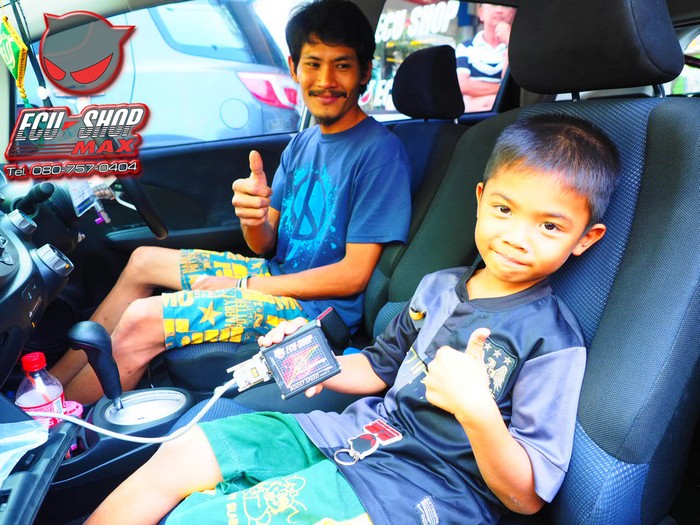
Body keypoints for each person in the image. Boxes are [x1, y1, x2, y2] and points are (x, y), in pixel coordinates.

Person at [85, 113, 620, 525]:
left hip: (425, 490)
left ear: (585, 239)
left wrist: (478, 410)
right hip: (359, 432)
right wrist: (309, 358)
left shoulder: (552, 340)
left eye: (550, 226)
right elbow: (379, 366)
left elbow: (525, 496)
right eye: (504, 210)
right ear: (480, 200)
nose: (517, 237)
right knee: (184, 452)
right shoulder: (437, 287)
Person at [52, 0, 412, 405]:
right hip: (276, 276)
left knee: (141, 319)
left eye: (341, 65)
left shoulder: (380, 153)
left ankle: (61, 425)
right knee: (143, 260)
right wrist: (252, 220)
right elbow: (265, 244)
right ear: (294, 68)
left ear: (364, 72)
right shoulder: (302, 143)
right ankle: (49, 387)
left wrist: (243, 285)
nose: (326, 80)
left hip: (314, 314)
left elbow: (353, 276)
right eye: (313, 64)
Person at [456, 3, 517, 112]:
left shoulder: (516, 48)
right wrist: (500, 88)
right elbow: (463, 85)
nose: (499, 10)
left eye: (506, 5)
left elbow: (513, 89)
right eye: (493, 4)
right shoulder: (465, 48)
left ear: (512, 13)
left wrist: (510, 42)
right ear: (481, 13)